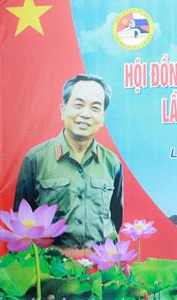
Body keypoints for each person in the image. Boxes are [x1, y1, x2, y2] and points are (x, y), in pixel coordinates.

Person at [13, 74, 123, 251]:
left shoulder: (112, 163)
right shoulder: (35, 159)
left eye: (95, 108)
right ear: (63, 110)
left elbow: (115, 218)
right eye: (78, 105)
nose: (85, 114)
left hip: (99, 265)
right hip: (52, 265)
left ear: (102, 117)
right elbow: (21, 220)